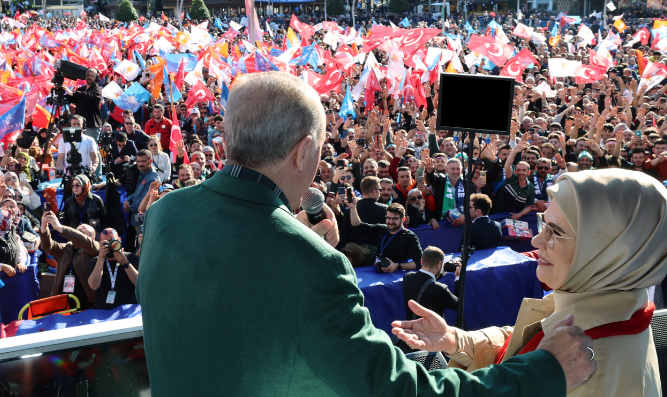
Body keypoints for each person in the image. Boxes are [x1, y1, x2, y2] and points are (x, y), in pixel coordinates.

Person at [138, 72, 595, 396]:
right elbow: (399, 390)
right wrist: (543, 372)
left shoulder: (164, 214)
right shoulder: (312, 266)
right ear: (303, 153)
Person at [394, 169, 667, 397]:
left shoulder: (591, 369)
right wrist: (458, 340)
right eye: (544, 223)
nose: (536, 240)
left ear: (606, 249)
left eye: (555, 232)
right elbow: (526, 338)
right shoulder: (600, 303)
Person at [40, 211, 101, 308]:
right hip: (62, 299)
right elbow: (48, 247)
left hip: (85, 300)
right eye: (76, 231)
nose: (75, 234)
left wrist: (60, 228)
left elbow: (84, 241)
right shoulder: (66, 248)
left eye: (80, 233)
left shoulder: (95, 247)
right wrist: (44, 227)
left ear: (92, 238)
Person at [349, 200, 422, 272]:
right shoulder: (383, 229)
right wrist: (353, 208)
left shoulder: (409, 237)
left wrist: (397, 266)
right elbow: (358, 226)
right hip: (378, 272)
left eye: (395, 218)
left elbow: (420, 263)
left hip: (395, 278)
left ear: (403, 219)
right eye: (388, 218)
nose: (390, 222)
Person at [402, 246, 459, 320]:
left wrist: (442, 272)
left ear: (421, 261)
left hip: (412, 328)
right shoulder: (441, 289)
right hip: (432, 330)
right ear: (439, 265)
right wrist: (458, 278)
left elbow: (424, 281)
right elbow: (458, 305)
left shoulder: (407, 277)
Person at [87, 228, 138, 309]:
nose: (110, 246)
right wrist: (101, 259)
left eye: (113, 241)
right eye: (106, 243)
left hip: (128, 309)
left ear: (119, 240)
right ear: (100, 243)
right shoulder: (95, 261)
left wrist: (125, 263)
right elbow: (93, 286)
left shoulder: (131, 257)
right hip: (104, 311)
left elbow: (139, 284)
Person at [72, 68, 104, 141]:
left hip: (92, 126)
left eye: (92, 76)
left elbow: (88, 96)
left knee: (91, 149)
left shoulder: (97, 90)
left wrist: (74, 93)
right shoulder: (81, 89)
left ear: (96, 78)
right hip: (79, 125)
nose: (89, 77)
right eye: (88, 75)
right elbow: (72, 98)